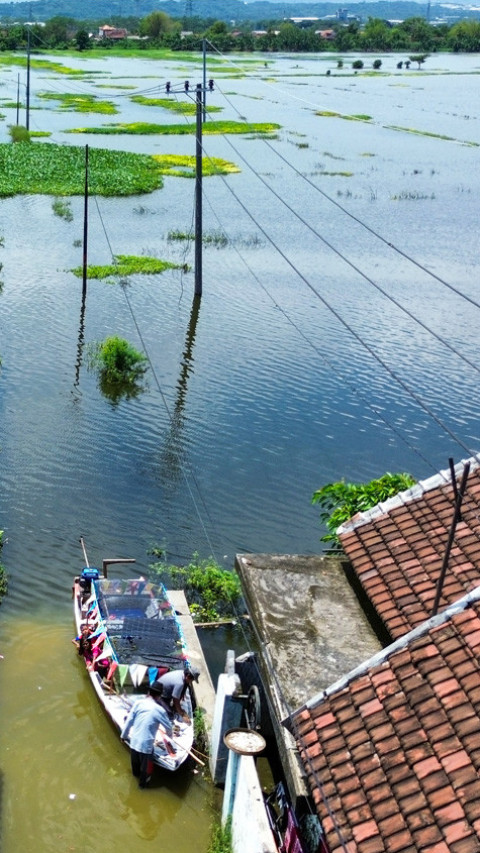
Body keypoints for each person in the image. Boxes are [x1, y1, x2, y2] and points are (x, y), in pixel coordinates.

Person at [120, 681, 174, 788]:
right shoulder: (160, 710)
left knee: (135, 772)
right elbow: (169, 728)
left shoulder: (138, 703)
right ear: (159, 696)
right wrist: (170, 737)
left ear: (149, 692)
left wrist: (123, 736)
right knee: (146, 776)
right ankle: (142, 790)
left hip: (133, 743)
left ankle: (133, 792)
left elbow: (129, 722)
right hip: (146, 748)